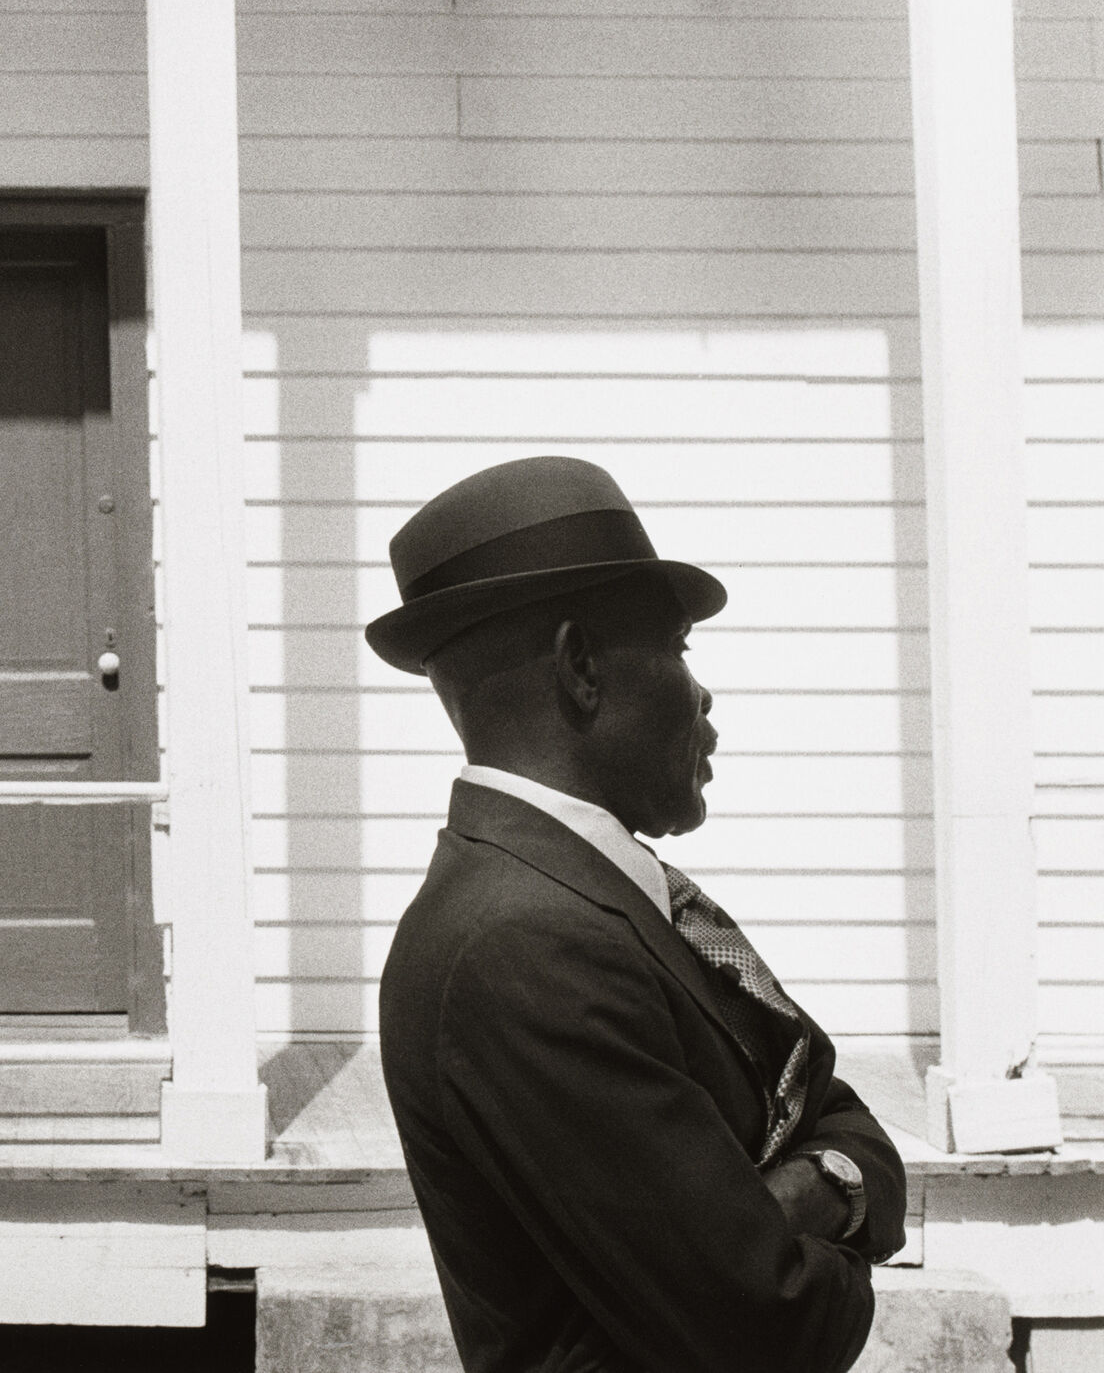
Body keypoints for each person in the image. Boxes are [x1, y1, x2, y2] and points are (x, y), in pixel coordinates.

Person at [368, 456, 907, 1373]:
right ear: (581, 665)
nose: (702, 696)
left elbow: (842, 1115)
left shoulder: (598, 893)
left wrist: (810, 1188)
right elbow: (768, 1323)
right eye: (679, 647)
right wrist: (825, 1208)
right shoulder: (524, 943)